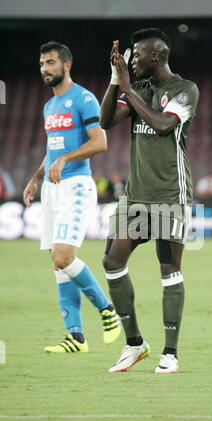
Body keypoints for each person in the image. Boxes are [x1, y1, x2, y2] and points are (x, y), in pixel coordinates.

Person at [100, 28, 199, 373]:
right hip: (136, 195)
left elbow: (160, 125)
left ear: (155, 55)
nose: (133, 61)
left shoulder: (185, 90)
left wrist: (127, 85)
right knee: (112, 261)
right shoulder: (138, 88)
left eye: (137, 55)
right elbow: (105, 121)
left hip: (172, 193)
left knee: (169, 268)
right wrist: (116, 80)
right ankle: (134, 344)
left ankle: (170, 353)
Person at [23, 41, 121, 353]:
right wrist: (36, 177)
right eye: (42, 64)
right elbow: (54, 148)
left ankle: (108, 310)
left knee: (63, 256)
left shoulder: (83, 98)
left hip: (76, 185)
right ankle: (76, 336)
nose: (45, 69)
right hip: (51, 188)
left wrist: (66, 160)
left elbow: (100, 142)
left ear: (67, 65)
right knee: (58, 264)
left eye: (51, 63)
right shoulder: (49, 107)